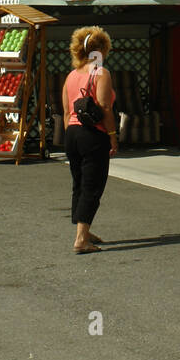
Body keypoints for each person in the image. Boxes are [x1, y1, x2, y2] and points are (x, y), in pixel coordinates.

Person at [61, 25, 118, 254]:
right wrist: (113, 136)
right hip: (92, 134)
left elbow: (66, 112)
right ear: (102, 49)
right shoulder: (101, 73)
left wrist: (70, 134)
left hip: (72, 134)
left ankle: (83, 229)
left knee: (79, 184)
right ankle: (81, 240)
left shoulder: (71, 76)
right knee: (92, 187)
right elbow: (105, 107)